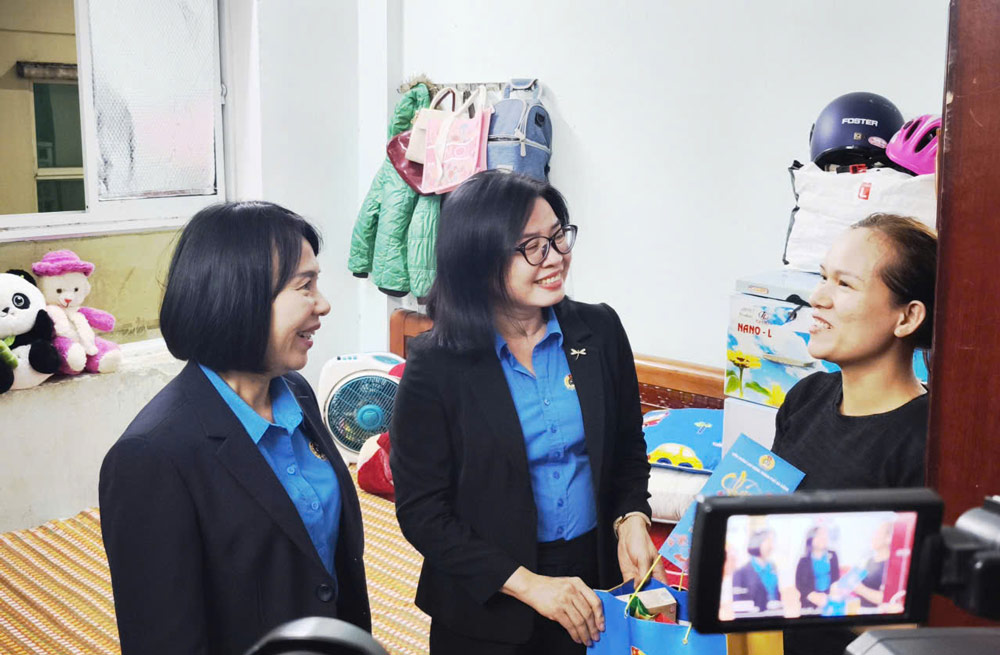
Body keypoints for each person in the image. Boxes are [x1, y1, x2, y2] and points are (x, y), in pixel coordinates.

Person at [389, 171, 664, 655]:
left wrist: (632, 519)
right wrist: (529, 585)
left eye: (559, 237)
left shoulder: (598, 330)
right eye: (531, 246)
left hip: (592, 584)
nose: (555, 257)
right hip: (486, 598)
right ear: (479, 260)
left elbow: (625, 448)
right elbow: (422, 512)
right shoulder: (437, 362)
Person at [99, 202, 371, 655]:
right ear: (238, 296)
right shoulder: (151, 458)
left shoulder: (296, 392)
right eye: (305, 285)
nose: (323, 303)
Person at [773, 213, 937, 654]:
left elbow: (922, 624)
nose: (818, 297)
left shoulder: (928, 443)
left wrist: (793, 568)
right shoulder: (805, 398)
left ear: (907, 317)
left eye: (844, 285)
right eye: (823, 277)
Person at [732, 529, 781, 614]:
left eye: (772, 542)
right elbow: (738, 604)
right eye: (768, 542)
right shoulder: (741, 572)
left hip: (775, 615)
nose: (771, 546)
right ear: (757, 543)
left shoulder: (773, 567)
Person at [794, 525, 841, 613]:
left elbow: (836, 579)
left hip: (829, 600)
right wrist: (812, 596)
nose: (823, 538)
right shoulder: (803, 561)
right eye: (819, 535)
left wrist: (831, 595)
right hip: (810, 602)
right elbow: (799, 584)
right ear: (811, 539)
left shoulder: (832, 555)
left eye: (824, 535)